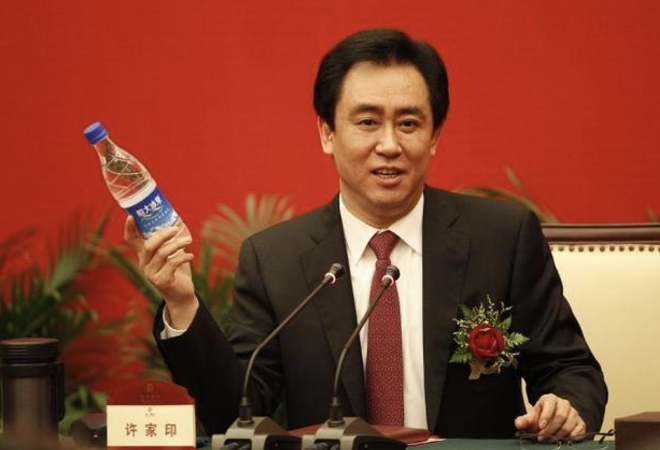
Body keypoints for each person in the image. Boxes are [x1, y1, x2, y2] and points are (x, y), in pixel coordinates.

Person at [125, 28, 607, 439]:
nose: (389, 144)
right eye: (368, 122)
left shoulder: (501, 238)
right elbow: (237, 413)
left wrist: (566, 407)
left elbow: (571, 370)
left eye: (409, 123)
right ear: (327, 133)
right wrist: (182, 304)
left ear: (435, 136)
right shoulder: (275, 260)